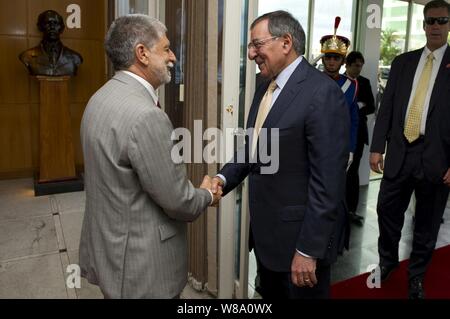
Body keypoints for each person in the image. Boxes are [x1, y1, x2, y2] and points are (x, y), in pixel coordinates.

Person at [78, 14, 221, 299]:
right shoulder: (146, 117)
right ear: (141, 53)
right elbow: (177, 200)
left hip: (111, 251)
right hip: (142, 266)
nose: (173, 58)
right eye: (166, 48)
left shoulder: (99, 98)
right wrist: (206, 194)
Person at [212, 10, 349, 299]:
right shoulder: (264, 87)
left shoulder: (322, 93)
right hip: (266, 239)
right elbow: (252, 148)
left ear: (285, 43)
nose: (250, 54)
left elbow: (328, 183)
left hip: (299, 246)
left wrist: (308, 250)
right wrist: (222, 179)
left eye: (256, 45)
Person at [370, 0, 450, 299]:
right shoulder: (404, 62)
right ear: (423, 24)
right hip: (401, 153)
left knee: (427, 225)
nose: (435, 26)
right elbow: (386, 107)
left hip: (437, 160)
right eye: (430, 21)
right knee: (387, 211)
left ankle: (416, 276)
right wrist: (377, 147)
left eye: (442, 21)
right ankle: (387, 262)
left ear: (449, 24)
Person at [320, 18, 360, 224]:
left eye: (336, 58)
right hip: (314, 145)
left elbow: (353, 121)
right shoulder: (312, 81)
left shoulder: (351, 86)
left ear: (343, 61)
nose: (331, 62)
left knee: (335, 191)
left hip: (338, 148)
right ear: (323, 59)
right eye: (328, 58)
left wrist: (351, 149)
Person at [344, 51, 375, 223]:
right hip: (340, 135)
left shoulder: (364, 83)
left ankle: (351, 210)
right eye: (356, 65)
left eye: (361, 65)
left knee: (352, 173)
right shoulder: (338, 81)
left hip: (358, 134)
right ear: (347, 65)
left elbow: (371, 106)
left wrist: (357, 105)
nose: (359, 68)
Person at [19, 10, 83, 76]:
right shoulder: (27, 56)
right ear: (40, 27)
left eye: (56, 23)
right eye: (47, 23)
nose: (52, 27)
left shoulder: (75, 58)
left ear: (62, 28)